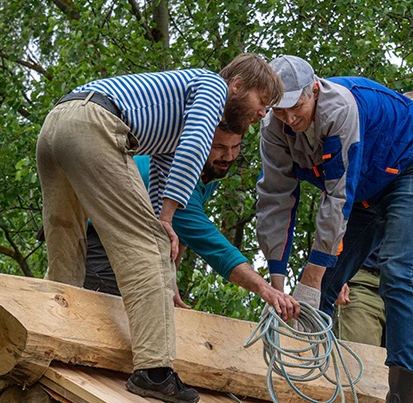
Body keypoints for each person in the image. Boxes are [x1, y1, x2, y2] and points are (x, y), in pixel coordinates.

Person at [37, 54, 282, 403]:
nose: (262, 114)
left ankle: (55, 330)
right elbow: (195, 148)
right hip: (95, 126)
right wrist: (163, 224)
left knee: (66, 237)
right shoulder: (213, 87)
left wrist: (162, 222)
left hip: (57, 123)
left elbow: (161, 176)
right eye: (262, 102)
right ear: (238, 85)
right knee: (149, 243)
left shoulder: (177, 106)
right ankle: (154, 370)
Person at [256, 56, 413, 403]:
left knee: (396, 272)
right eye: (280, 110)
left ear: (314, 90)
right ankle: (311, 380)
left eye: (296, 108)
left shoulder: (341, 107)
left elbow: (336, 197)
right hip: (367, 190)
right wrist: (278, 285)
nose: (289, 118)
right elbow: (275, 200)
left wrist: (309, 281)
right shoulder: (274, 128)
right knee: (326, 284)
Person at [82, 124, 301, 321]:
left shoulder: (211, 171)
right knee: (106, 320)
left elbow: (180, 234)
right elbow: (216, 249)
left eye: (235, 147)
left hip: (135, 242)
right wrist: (265, 289)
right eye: (219, 147)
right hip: (101, 239)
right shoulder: (176, 177)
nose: (229, 156)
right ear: (200, 143)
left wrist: (170, 279)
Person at [335, 90, 413, 359]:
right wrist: (334, 275)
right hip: (363, 282)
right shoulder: (371, 160)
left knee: (409, 374)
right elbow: (336, 213)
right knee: (356, 368)